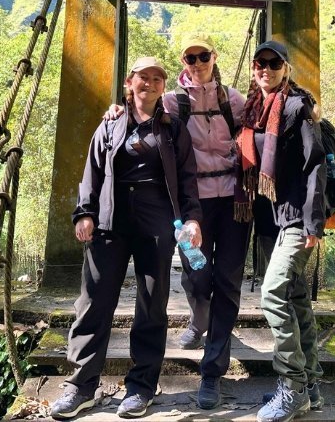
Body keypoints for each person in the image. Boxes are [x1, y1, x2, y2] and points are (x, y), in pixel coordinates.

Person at [50, 57, 203, 420]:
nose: (149, 83)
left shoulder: (172, 128)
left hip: (156, 223)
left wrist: (193, 219)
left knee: (152, 305)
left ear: (163, 87)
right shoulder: (110, 123)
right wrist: (84, 213)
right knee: (93, 302)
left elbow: (187, 178)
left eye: (157, 79)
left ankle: (141, 388)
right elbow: (92, 170)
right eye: (142, 77)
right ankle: (81, 386)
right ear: (129, 83)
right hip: (109, 220)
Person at [105, 35, 249, 409]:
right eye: (190, 58)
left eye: (204, 56)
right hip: (189, 204)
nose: (198, 62)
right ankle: (200, 321)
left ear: (214, 57)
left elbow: (261, 127)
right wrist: (116, 110)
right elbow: (140, 109)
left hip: (234, 202)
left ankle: (212, 372)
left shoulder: (233, 100)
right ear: (183, 62)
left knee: (227, 282)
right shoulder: (171, 102)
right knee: (197, 276)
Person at [234, 40, 325, 422]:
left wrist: (314, 222)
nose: (266, 69)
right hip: (272, 220)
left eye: (274, 63)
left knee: (272, 294)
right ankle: (311, 385)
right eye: (261, 63)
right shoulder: (253, 109)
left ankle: (292, 388)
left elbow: (315, 165)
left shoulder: (296, 108)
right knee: (296, 296)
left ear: (286, 68)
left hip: (298, 219)